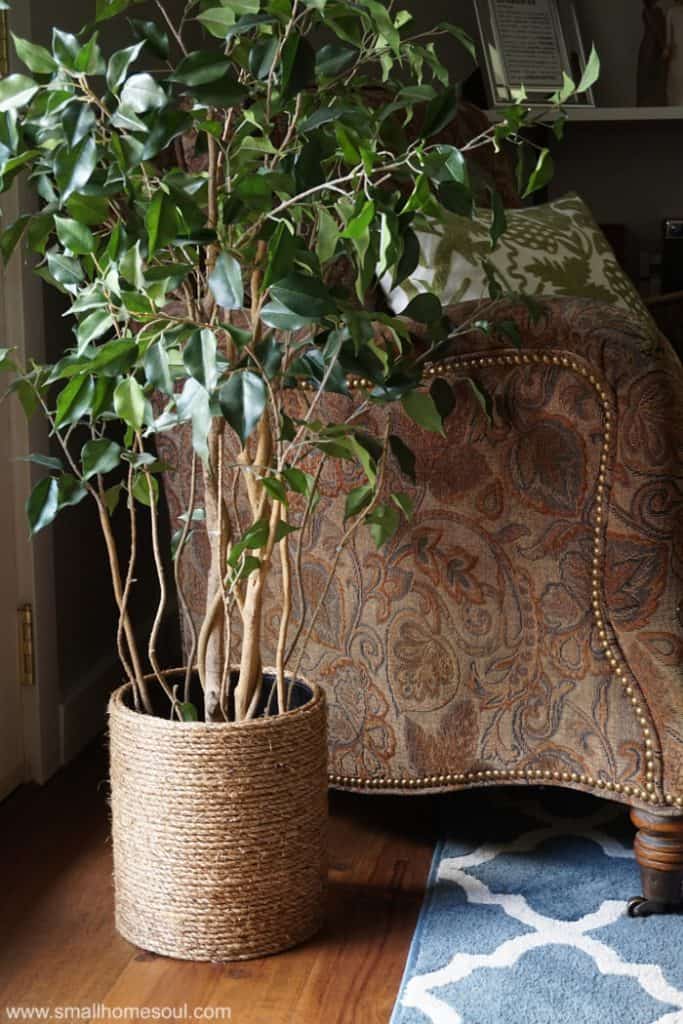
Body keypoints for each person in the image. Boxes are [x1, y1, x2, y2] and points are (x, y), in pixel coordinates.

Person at [638, 0, 668, 105]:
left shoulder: (646, 12)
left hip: (647, 47)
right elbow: (658, 31)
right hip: (653, 48)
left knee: (646, 80)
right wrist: (664, 47)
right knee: (653, 80)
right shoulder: (656, 12)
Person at [665, 0, 683, 104]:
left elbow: (668, 42)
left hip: (677, 55)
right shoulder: (671, 12)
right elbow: (668, 42)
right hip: (677, 55)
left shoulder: (671, 12)